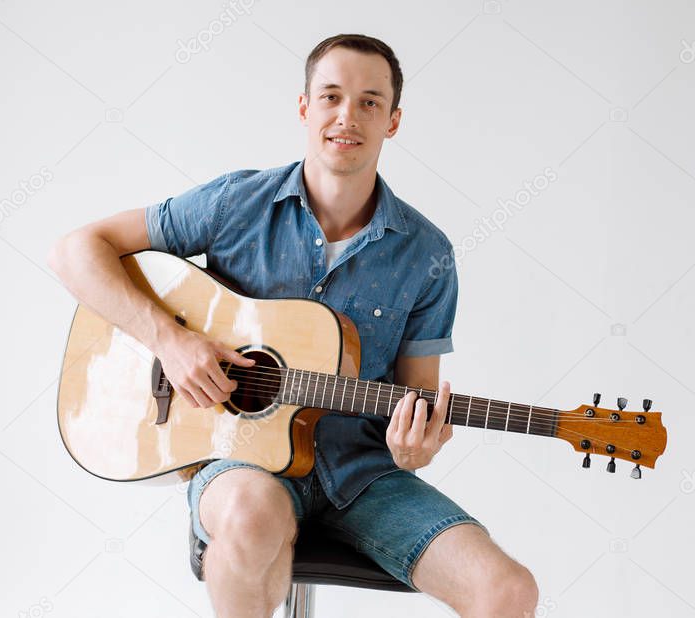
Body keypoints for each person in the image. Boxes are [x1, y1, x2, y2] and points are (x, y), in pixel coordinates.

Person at [48, 33, 539, 617]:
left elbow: (416, 397)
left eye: (369, 102)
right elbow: (77, 250)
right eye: (330, 96)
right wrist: (171, 341)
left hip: (364, 477)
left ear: (394, 121)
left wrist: (414, 450)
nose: (346, 116)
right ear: (305, 107)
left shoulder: (427, 253)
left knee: (509, 591)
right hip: (240, 462)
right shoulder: (236, 203)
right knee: (252, 516)